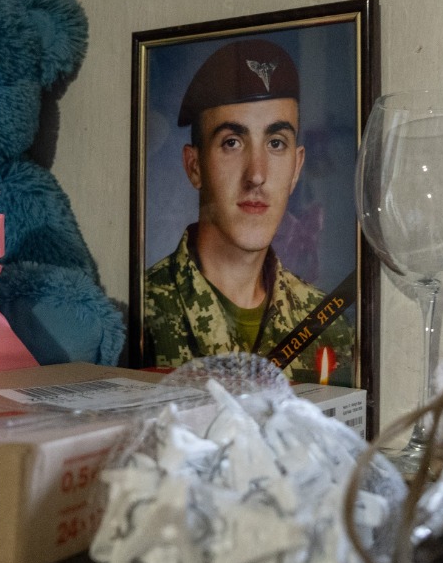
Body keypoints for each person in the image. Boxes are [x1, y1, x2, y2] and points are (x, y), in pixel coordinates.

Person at [143, 38, 355, 384]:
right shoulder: (143, 314)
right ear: (194, 166)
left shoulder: (329, 327)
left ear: (296, 167)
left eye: (276, 143)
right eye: (232, 142)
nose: (256, 175)